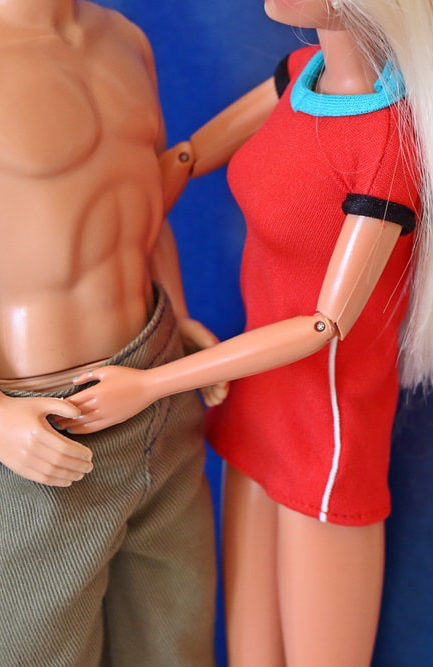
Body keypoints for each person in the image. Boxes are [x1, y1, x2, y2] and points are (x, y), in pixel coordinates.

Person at [60, 1, 433, 665]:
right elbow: (188, 157)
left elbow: (323, 324)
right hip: (255, 401)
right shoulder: (300, 74)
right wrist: (106, 215)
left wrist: (151, 383)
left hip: (325, 426)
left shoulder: (385, 145)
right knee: (249, 646)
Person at [0, 1, 220, 665]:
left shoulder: (125, 39)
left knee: (175, 642)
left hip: (159, 384)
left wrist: (179, 315)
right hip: (42, 426)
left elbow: (145, 200)